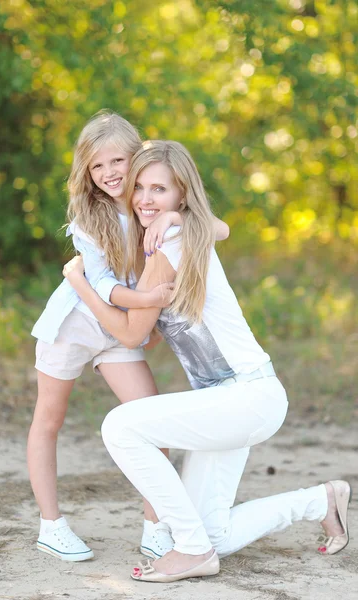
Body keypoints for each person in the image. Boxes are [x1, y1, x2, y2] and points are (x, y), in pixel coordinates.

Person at [63, 139, 351, 582]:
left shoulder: (173, 239)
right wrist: (175, 215)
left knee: (119, 427)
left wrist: (79, 282)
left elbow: (132, 334)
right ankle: (319, 502)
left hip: (246, 394)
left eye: (159, 190)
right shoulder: (176, 232)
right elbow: (215, 228)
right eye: (139, 188)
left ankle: (192, 551)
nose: (144, 199)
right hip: (231, 401)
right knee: (213, 533)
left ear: (181, 194)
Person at [29, 113, 230, 562]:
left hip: (119, 332)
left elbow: (219, 229)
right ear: (86, 172)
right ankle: (51, 525)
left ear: (136, 157)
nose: (109, 174)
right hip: (75, 324)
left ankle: (156, 526)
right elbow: (97, 283)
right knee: (49, 419)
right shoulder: (88, 216)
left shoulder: (152, 206)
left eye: (118, 160)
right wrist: (147, 300)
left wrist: (176, 214)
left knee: (149, 421)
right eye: (96, 167)